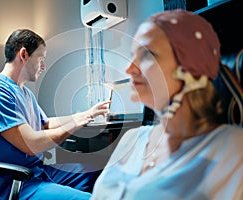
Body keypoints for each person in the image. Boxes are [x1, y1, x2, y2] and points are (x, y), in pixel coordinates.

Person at [91, 9, 243, 199]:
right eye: (133, 55)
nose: (129, 68)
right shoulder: (132, 138)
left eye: (147, 55)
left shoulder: (232, 150)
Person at [0, 29, 110, 200]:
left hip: (35, 172)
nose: (43, 66)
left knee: (101, 171)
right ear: (24, 54)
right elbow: (32, 144)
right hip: (8, 184)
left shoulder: (24, 92)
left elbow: (45, 123)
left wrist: (86, 114)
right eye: (41, 58)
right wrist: (75, 123)